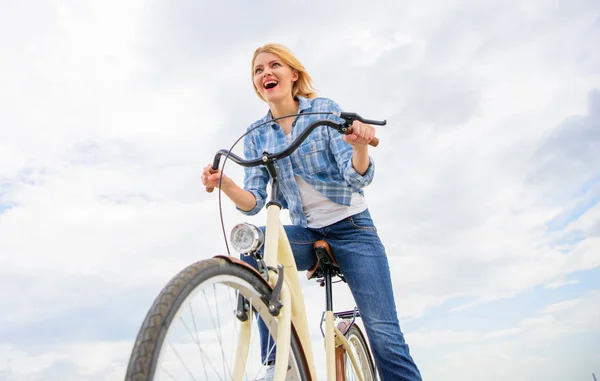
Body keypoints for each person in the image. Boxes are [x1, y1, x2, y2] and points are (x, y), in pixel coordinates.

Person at [201, 43, 422, 381]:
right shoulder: (256, 134)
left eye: (274, 65)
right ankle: (279, 362)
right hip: (306, 233)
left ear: (293, 74)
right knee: (256, 245)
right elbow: (256, 200)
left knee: (384, 335)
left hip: (352, 228)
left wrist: (359, 145)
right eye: (258, 71)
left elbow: (356, 177)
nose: (266, 73)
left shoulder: (324, 111)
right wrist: (226, 185)